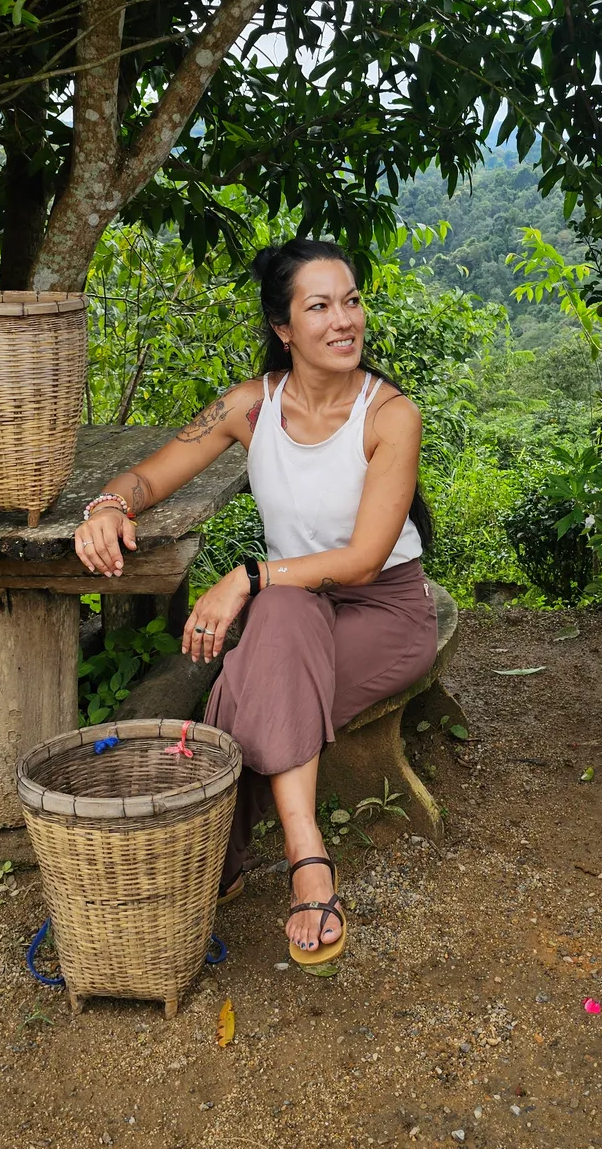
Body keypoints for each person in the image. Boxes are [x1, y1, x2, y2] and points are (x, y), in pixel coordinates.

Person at [73, 239, 437, 968]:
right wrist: (110, 505)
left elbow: (364, 559)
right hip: (291, 616)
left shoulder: (390, 416)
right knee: (282, 615)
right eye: (321, 306)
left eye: (353, 301)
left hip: (385, 613)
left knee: (258, 647)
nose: (345, 321)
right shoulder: (250, 405)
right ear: (283, 328)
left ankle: (229, 859)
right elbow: (154, 473)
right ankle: (304, 859)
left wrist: (246, 576)